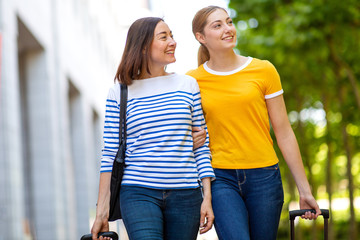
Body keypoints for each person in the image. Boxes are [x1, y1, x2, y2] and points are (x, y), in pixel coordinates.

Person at [187, 6, 321, 240]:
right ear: (201, 37)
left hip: (264, 177)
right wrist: (190, 137)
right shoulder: (191, 81)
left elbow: (284, 132)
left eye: (229, 22)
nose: (227, 29)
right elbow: (185, 132)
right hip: (220, 177)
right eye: (217, 25)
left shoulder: (263, 70)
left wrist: (304, 189)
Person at [91, 17, 215, 240]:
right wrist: (102, 211)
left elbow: (201, 145)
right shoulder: (119, 92)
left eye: (172, 35)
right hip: (138, 192)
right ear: (143, 46)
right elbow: (109, 153)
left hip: (186, 194)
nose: (173, 42)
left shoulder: (187, 85)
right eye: (164, 37)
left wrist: (207, 197)